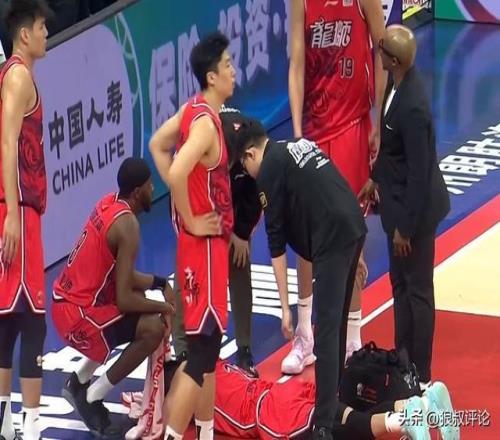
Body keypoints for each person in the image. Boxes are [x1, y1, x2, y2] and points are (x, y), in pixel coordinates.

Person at [231, 115, 366, 439]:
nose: (246, 172)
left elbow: (276, 243)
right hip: (352, 226)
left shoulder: (269, 170)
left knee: (327, 331)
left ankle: (323, 425)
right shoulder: (295, 146)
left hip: (333, 238)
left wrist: (285, 308)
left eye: (244, 165)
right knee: (336, 327)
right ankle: (336, 403)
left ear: (250, 154)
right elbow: (334, 186)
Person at [286, 0, 388, 373]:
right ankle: (304, 336)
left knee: (350, 236)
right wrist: (297, 133)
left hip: (351, 127)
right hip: (314, 129)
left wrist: (378, 118)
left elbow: (383, 51)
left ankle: (353, 339)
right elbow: (297, 62)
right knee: (305, 235)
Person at [149, 31, 235, 440]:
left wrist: (185, 219)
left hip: (193, 248)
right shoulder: (204, 125)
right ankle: (170, 433)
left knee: (208, 349)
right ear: (211, 76)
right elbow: (179, 171)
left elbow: (157, 144)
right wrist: (192, 218)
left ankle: (205, 431)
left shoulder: (193, 109)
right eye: (228, 65)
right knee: (200, 353)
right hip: (204, 249)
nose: (233, 71)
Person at [52, 158, 174, 438]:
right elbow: (124, 300)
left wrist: (160, 283)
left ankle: (78, 382)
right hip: (77, 316)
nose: (153, 189)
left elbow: (124, 279)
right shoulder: (128, 226)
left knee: (141, 301)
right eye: (148, 186)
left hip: (67, 301)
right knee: (152, 328)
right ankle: (92, 397)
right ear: (137, 192)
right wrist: (166, 307)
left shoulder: (110, 202)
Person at [358, 25, 450, 392]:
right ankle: (404, 361)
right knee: (400, 286)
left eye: (381, 48)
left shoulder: (413, 106)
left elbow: (419, 171)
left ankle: (422, 374)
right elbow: (391, 150)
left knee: (418, 291)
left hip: (416, 216)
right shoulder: (395, 85)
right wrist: (374, 178)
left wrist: (406, 229)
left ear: (393, 60)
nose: (377, 50)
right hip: (398, 207)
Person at [123, 359, 458, 440]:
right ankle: (422, 405)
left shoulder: (187, 380)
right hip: (282, 391)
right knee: (343, 415)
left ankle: (402, 420)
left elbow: (168, 419)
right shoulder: (212, 362)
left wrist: (151, 410)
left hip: (267, 413)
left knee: (337, 432)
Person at [171, 107, 262, 378]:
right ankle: (182, 349)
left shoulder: (248, 143)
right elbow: (179, 204)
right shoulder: (193, 153)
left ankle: (244, 349)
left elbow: (256, 194)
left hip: (232, 208)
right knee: (188, 271)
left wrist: (241, 234)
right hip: (195, 210)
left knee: (239, 260)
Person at [0, 1, 51, 439]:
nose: (47, 33)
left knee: (9, 319)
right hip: (16, 210)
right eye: (42, 27)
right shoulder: (18, 76)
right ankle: (32, 427)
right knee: (33, 318)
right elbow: (8, 142)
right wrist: (14, 215)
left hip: (13, 207)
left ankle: (4, 422)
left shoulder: (12, 75)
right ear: (23, 35)